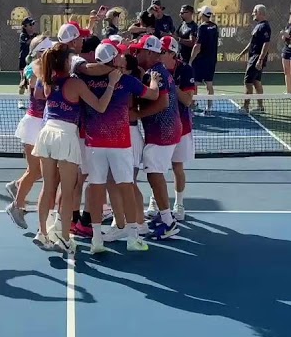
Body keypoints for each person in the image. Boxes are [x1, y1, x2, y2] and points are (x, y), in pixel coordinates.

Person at [30, 43, 118, 254]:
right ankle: (64, 237)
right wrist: (112, 83)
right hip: (65, 136)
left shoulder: (46, 81)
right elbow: (100, 106)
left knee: (47, 187)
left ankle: (42, 232)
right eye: (71, 60)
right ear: (66, 62)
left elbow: (38, 88)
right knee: (68, 191)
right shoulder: (75, 84)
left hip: (46, 134)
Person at [75, 40, 159, 253]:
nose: (123, 57)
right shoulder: (127, 80)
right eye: (119, 55)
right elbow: (153, 95)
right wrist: (155, 80)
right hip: (120, 144)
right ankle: (132, 238)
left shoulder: (84, 77)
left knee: (96, 189)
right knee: (126, 188)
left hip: (94, 144)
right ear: (113, 59)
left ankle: (96, 240)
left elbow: (80, 66)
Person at [131, 34, 182, 240]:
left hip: (164, 132)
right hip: (162, 131)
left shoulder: (157, 73)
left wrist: (137, 114)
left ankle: (168, 221)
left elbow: (162, 103)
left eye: (140, 50)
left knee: (154, 174)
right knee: (154, 173)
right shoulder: (155, 71)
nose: (136, 53)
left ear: (150, 52)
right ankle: (165, 216)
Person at [6, 37, 54, 228]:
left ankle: (17, 186)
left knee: (37, 170)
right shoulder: (35, 69)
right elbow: (39, 94)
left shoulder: (43, 67)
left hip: (42, 123)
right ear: (42, 52)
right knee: (37, 171)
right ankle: (16, 206)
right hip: (35, 124)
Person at [164, 36, 196, 221]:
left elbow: (188, 100)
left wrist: (171, 85)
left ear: (172, 53)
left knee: (177, 166)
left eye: (163, 52)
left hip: (181, 126)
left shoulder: (185, 70)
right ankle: (155, 202)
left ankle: (179, 204)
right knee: (157, 169)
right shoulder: (154, 70)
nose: (159, 55)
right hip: (159, 128)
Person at [243, 4, 272, 110]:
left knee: (248, 81)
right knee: (256, 81)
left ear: (259, 13)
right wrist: (244, 52)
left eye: (254, 12)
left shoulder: (265, 26)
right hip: (254, 57)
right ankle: (260, 107)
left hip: (256, 57)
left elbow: (266, 44)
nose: (252, 14)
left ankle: (246, 107)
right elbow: (252, 42)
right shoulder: (258, 25)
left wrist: (260, 59)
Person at [190, 6, 219, 105]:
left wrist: (191, 60)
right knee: (209, 84)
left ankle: (193, 105)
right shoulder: (215, 26)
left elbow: (197, 46)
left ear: (202, 14)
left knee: (195, 84)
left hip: (201, 61)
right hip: (211, 60)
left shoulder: (202, 27)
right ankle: (209, 109)